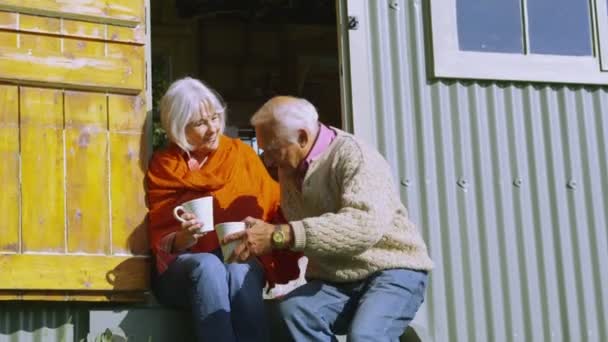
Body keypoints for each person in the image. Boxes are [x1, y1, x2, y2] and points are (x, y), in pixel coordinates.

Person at [224, 96, 434, 341]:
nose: (267, 161)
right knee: (293, 313)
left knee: (365, 336)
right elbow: (295, 233)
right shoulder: (288, 170)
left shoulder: (355, 156)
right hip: (338, 280)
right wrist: (259, 243)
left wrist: (280, 235)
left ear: (302, 137)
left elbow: (362, 226)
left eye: (272, 150)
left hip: (392, 269)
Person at [146, 78, 299, 342]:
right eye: (200, 123)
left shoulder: (242, 155)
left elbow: (274, 208)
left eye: (215, 117)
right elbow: (160, 234)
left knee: (241, 267)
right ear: (179, 126)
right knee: (208, 266)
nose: (213, 128)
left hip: (237, 259)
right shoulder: (164, 164)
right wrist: (184, 238)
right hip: (182, 271)